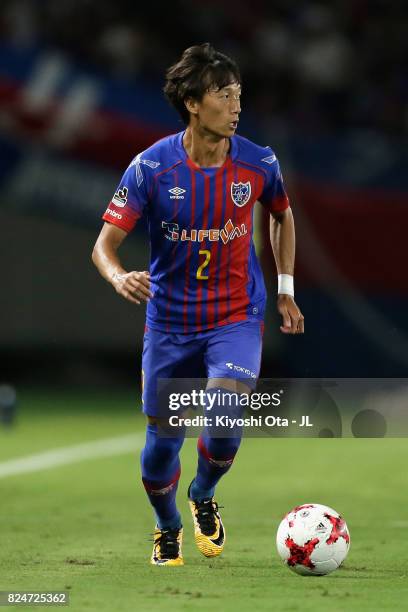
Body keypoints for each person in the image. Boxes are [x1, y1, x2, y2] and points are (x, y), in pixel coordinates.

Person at [92, 43, 304, 566]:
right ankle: (167, 526)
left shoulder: (258, 161)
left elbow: (281, 213)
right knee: (163, 442)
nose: (236, 106)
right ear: (191, 102)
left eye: (239, 96)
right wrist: (119, 277)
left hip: (235, 317)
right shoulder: (151, 169)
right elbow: (104, 245)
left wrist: (285, 288)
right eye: (224, 95)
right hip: (169, 323)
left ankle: (204, 493)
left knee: (226, 413)